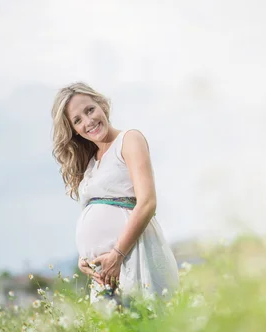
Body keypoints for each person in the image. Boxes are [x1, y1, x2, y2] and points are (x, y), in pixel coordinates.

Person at [51, 82, 179, 304]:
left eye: (89, 110)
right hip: (104, 271)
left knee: (144, 326)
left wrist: (117, 255)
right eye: (77, 120)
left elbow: (147, 202)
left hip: (133, 256)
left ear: (102, 104)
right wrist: (86, 259)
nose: (88, 121)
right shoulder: (91, 162)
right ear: (73, 130)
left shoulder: (129, 140)